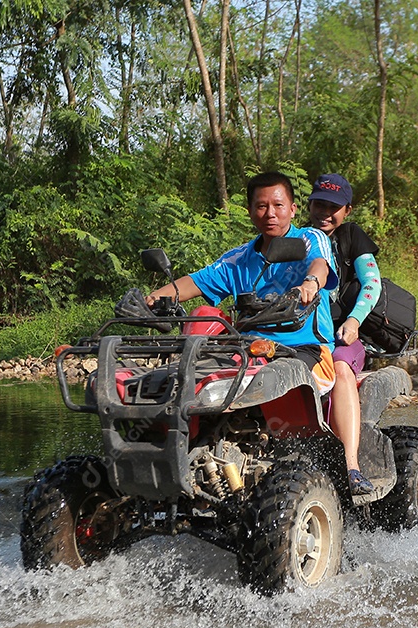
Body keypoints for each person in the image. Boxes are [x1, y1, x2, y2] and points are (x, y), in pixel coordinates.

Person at [145, 172, 377, 497]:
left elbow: (320, 265)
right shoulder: (240, 258)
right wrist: (152, 298)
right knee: (179, 378)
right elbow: (198, 280)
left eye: (278, 205)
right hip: (245, 350)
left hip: (303, 350)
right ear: (250, 210)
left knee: (293, 377)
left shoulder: (310, 239)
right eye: (261, 206)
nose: (270, 213)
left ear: (293, 209)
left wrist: (310, 283)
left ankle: (351, 467)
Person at [307, 173, 382, 496]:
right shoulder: (297, 237)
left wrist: (353, 321)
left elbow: (372, 283)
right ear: (308, 205)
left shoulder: (352, 237)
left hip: (341, 337)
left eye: (333, 207)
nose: (326, 212)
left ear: (347, 210)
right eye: (320, 203)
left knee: (339, 367)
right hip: (299, 334)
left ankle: (352, 466)